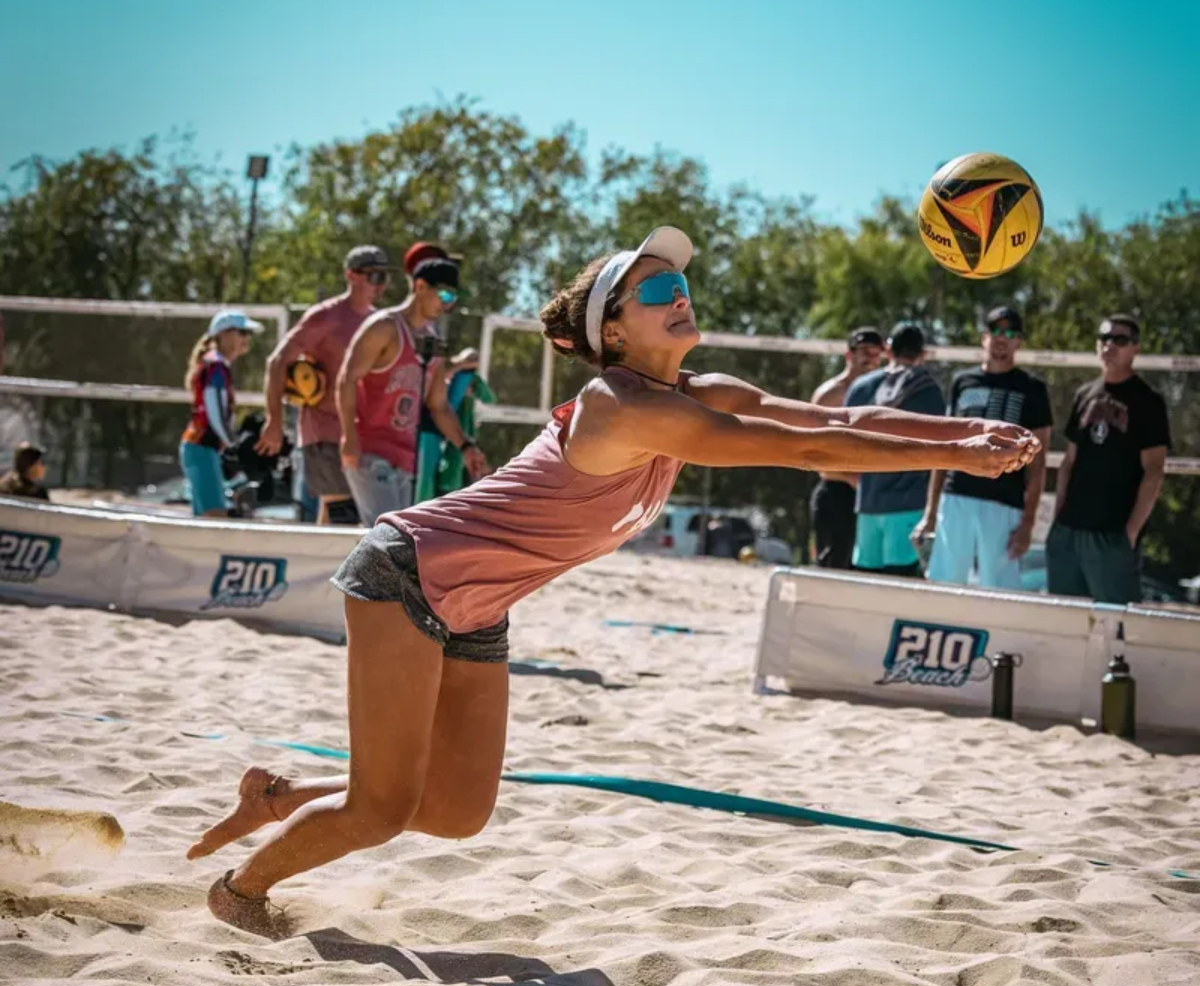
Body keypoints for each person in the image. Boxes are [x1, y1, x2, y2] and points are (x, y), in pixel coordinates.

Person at [186, 226, 1037, 937]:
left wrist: (970, 426)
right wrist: (958, 458)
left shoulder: (701, 393)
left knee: (452, 811)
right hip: (408, 571)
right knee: (381, 809)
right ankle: (240, 894)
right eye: (655, 286)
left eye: (678, 282)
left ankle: (280, 798)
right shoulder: (622, 408)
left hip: (479, 603)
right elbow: (812, 453)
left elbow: (838, 418)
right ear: (616, 332)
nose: (677, 293)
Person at [335, 244, 488, 525]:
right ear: (419, 286)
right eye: (443, 294)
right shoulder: (384, 327)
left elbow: (438, 405)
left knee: (393, 542)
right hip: (371, 452)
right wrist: (349, 437)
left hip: (406, 458)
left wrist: (466, 447)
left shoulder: (432, 342)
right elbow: (347, 379)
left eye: (453, 298)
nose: (447, 303)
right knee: (386, 540)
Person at [915, 306, 1053, 589]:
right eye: (996, 330)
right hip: (957, 498)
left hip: (1004, 504)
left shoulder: (1032, 388)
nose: (1002, 338)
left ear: (1018, 341)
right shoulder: (962, 381)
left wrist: (1028, 524)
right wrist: (929, 514)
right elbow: (945, 444)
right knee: (944, 584)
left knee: (1001, 591)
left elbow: (1037, 464)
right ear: (984, 337)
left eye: (1010, 332)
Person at [258, 246, 393, 524]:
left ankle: (319, 569)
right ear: (351, 276)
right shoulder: (325, 316)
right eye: (374, 276)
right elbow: (277, 362)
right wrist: (274, 420)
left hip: (359, 436)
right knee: (341, 514)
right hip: (324, 433)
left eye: (385, 277)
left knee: (339, 519)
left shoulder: (378, 322)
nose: (381, 284)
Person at [1046, 314, 1171, 604]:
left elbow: (1154, 472)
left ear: (1135, 348)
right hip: (1068, 532)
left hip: (1112, 535)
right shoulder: (1084, 394)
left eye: (1120, 339)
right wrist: (1058, 521)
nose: (1110, 345)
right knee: (1065, 624)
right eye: (1104, 338)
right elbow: (1069, 462)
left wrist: (1130, 533)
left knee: (1116, 627)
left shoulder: (1147, 401)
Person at [844, 322, 945, 576]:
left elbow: (843, 441)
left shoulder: (861, 387)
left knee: (867, 585)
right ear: (922, 354)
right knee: (900, 589)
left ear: (888, 350)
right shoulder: (928, 389)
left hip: (868, 504)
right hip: (908, 505)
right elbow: (941, 450)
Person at [808, 327, 884, 568]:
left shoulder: (884, 393)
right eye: (864, 351)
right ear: (849, 355)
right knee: (832, 570)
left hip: (874, 498)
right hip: (838, 493)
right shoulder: (830, 395)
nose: (870, 358)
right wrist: (854, 480)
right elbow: (813, 454)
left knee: (866, 575)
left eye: (876, 352)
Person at [180, 310, 263, 518]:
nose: (246, 339)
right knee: (215, 517)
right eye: (242, 332)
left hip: (201, 449)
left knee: (206, 518)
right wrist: (233, 443)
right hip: (201, 449)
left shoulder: (216, 363)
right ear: (224, 334)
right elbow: (214, 410)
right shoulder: (216, 365)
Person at [415, 346, 499, 502]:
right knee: (424, 478)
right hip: (433, 428)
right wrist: (459, 365)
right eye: (469, 359)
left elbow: (491, 398)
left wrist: (473, 388)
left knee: (449, 476)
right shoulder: (444, 370)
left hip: (453, 432)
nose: (472, 362)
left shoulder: (469, 378)